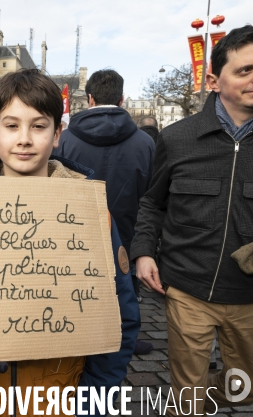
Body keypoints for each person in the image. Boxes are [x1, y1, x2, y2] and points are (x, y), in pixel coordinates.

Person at [0, 69, 139, 417]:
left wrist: (93, 401)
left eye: (38, 126)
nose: (24, 139)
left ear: (57, 134)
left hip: (62, 397)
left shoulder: (89, 212)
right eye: (12, 126)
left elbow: (122, 312)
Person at [132, 25, 253, 415]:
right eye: (245, 70)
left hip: (248, 294)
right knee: (189, 396)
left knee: (244, 389)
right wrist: (144, 252)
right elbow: (153, 203)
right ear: (215, 80)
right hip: (186, 288)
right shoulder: (178, 138)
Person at [53, 69, 155, 355]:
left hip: (74, 235)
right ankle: (125, 340)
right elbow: (150, 195)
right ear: (122, 100)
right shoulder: (146, 143)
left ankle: (80, 339)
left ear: (89, 99)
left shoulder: (66, 139)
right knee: (126, 292)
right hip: (127, 231)